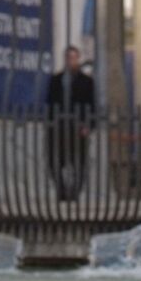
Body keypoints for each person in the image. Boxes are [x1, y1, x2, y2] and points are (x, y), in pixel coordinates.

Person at [45, 45, 96, 203]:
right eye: (68, 58)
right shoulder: (56, 80)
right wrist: (50, 124)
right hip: (59, 128)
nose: (71, 61)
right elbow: (50, 104)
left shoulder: (87, 82)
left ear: (78, 59)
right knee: (55, 161)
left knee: (79, 163)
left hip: (78, 127)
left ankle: (74, 194)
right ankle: (62, 192)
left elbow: (91, 105)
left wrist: (88, 126)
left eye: (74, 58)